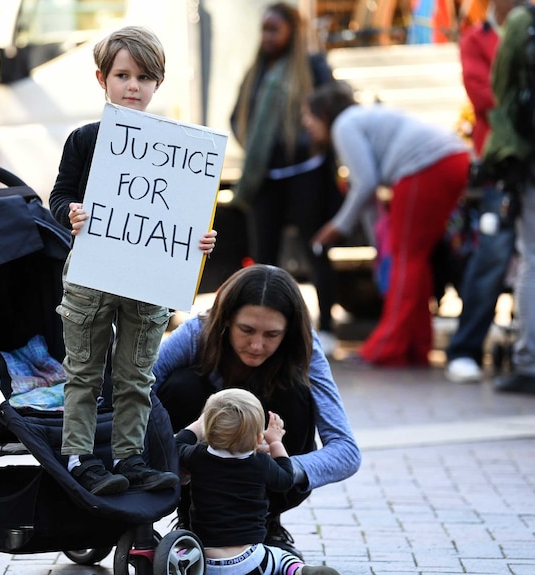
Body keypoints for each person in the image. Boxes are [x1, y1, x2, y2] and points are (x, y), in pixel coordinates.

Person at [48, 26, 217, 496]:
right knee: (83, 371)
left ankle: (129, 456)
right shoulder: (84, 140)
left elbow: (183, 215)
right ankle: (80, 457)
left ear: (157, 84)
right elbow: (59, 195)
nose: (132, 86)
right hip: (91, 276)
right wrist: (71, 213)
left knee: (136, 375)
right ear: (102, 78)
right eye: (123, 75)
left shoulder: (176, 148)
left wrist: (197, 242)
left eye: (144, 78)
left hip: (147, 278)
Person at [153, 264, 360, 558]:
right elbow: (137, 391)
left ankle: (266, 524)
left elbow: (347, 452)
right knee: (179, 386)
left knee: (297, 394)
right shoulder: (196, 332)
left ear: (287, 333)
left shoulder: (305, 349)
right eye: (246, 330)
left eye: (272, 335)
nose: (257, 345)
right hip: (198, 467)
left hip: (268, 474)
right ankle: (191, 519)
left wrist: (279, 466)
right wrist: (173, 449)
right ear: (226, 320)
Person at [305, 81, 471, 367]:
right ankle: (415, 346)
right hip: (447, 160)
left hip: (425, 166)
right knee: (412, 258)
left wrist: (338, 226)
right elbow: (370, 198)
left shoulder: (344, 125)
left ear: (324, 113)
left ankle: (387, 347)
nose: (306, 125)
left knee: (407, 259)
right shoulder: (359, 120)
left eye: (307, 117)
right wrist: (378, 249)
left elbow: (365, 184)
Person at [230, 2, 342, 355]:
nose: (267, 37)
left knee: (316, 247)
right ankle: (265, 329)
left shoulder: (313, 67)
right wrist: (257, 147)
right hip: (265, 176)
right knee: (264, 255)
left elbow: (331, 110)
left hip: (306, 173)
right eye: (264, 29)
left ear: (291, 32)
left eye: (274, 29)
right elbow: (237, 116)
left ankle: (328, 324)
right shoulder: (258, 70)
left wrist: (307, 143)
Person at [176, 388, 340, 575]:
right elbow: (286, 479)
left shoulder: (196, 457)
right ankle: (297, 571)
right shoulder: (260, 463)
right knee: (282, 557)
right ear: (259, 438)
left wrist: (198, 425)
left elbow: (176, 446)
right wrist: (276, 442)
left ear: (208, 429)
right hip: (252, 559)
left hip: (203, 561)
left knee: (179, 551)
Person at [445, 0, 524, 383]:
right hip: (502, 163)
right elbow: (485, 95)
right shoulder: (477, 38)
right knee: (492, 252)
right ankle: (465, 348)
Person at [482, 2, 535, 394]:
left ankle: (529, 360)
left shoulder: (521, 22)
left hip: (529, 157)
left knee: (532, 256)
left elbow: (500, 90)